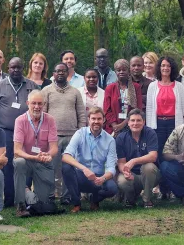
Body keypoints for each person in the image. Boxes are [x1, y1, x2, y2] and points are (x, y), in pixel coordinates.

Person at [0, 57, 39, 207]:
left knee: (26, 163)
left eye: (18, 67)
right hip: (6, 132)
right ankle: (9, 199)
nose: (15, 70)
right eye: (12, 68)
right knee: (8, 165)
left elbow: (38, 106)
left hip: (28, 132)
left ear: (23, 68)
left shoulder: (32, 85)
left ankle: (23, 197)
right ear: (8, 68)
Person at [42, 62, 86, 205]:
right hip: (52, 137)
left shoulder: (75, 92)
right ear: (53, 74)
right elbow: (42, 114)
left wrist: (80, 132)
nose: (60, 73)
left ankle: (67, 196)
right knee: (51, 167)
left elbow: (81, 113)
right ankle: (50, 195)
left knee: (68, 168)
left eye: (63, 71)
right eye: (57, 71)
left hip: (72, 136)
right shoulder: (46, 91)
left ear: (68, 73)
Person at [145, 56, 184, 199]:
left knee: (174, 156)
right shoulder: (152, 86)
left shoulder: (179, 86)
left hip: (175, 124)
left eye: (168, 66)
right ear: (159, 68)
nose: (165, 68)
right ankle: (163, 190)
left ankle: (174, 189)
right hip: (158, 125)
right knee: (161, 158)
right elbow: (149, 108)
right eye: (162, 66)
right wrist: (150, 129)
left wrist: (182, 127)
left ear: (172, 68)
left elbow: (183, 107)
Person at [62, 107, 118, 212]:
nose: (96, 122)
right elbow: (66, 156)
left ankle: (95, 199)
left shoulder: (110, 140)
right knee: (66, 168)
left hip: (99, 177)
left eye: (99, 119)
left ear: (104, 120)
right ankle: (76, 203)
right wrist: (84, 169)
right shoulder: (80, 134)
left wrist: (103, 178)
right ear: (89, 120)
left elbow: (111, 168)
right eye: (93, 119)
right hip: (81, 176)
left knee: (112, 188)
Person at [13, 91, 58, 217]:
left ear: (44, 104)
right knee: (19, 161)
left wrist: (48, 155)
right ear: (28, 103)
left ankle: (27, 193)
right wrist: (33, 157)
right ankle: (21, 205)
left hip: (42, 160)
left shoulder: (50, 120)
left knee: (41, 204)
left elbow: (54, 148)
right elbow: (17, 150)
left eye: (39, 103)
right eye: (33, 103)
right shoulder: (20, 120)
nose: (37, 107)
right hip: (26, 159)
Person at [115, 109, 160, 208]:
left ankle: (147, 200)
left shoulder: (150, 133)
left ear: (143, 122)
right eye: (133, 120)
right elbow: (121, 162)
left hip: (150, 176)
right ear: (128, 122)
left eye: (139, 120)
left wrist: (134, 161)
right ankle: (130, 200)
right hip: (132, 176)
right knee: (122, 180)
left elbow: (153, 156)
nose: (135, 123)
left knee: (148, 167)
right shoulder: (121, 138)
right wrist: (125, 171)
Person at [104, 59, 143, 136]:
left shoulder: (136, 87)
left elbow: (138, 109)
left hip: (131, 126)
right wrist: (115, 125)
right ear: (115, 72)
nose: (121, 72)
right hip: (113, 129)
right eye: (118, 70)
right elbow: (107, 110)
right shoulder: (110, 88)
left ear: (129, 71)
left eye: (124, 70)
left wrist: (122, 125)